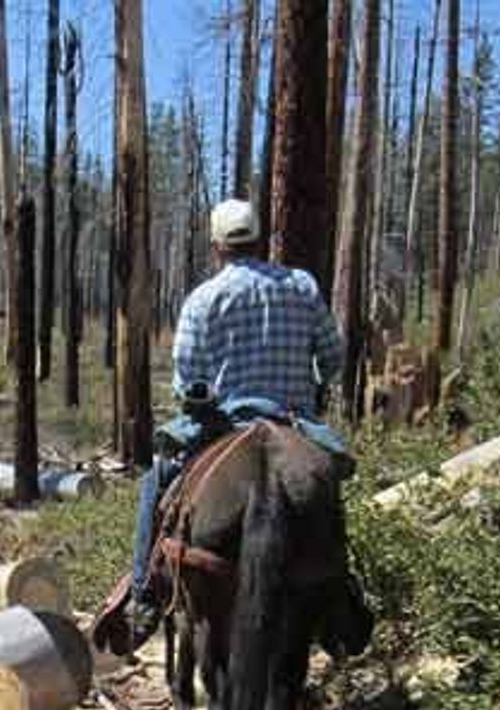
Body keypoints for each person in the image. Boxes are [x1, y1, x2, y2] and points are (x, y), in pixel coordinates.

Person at [122, 197, 348, 646]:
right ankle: (341, 599)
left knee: (156, 481)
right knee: (331, 484)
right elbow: (333, 356)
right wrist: (314, 384)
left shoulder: (204, 299)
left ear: (216, 246)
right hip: (294, 422)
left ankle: (143, 594)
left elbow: (187, 384)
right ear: (259, 240)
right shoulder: (301, 286)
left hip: (224, 425)